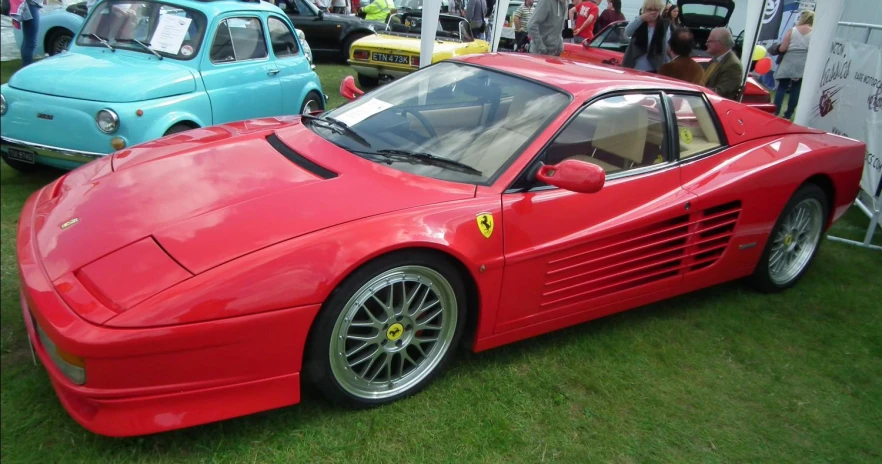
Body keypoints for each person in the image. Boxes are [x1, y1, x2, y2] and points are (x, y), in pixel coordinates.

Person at [773, 10, 813, 120]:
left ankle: (775, 111)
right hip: (802, 64)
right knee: (796, 89)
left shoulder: (792, 30)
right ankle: (788, 114)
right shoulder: (815, 33)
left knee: (782, 87)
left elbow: (782, 48)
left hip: (788, 61)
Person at [622, 0, 670, 73]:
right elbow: (627, 32)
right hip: (634, 66)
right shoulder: (638, 21)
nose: (652, 12)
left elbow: (667, 46)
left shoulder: (664, 25)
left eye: (656, 10)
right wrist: (641, 19)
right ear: (644, 9)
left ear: (660, 10)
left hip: (655, 67)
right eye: (649, 9)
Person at [701, 27, 743, 100]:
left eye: (709, 41)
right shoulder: (717, 59)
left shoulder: (733, 66)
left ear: (719, 44)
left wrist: (696, 91)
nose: (706, 44)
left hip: (716, 107)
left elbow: (720, 93)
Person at [9, 0, 43, 67]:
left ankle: (26, 65)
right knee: (30, 41)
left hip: (30, 5)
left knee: (28, 40)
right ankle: (27, 66)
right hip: (30, 5)